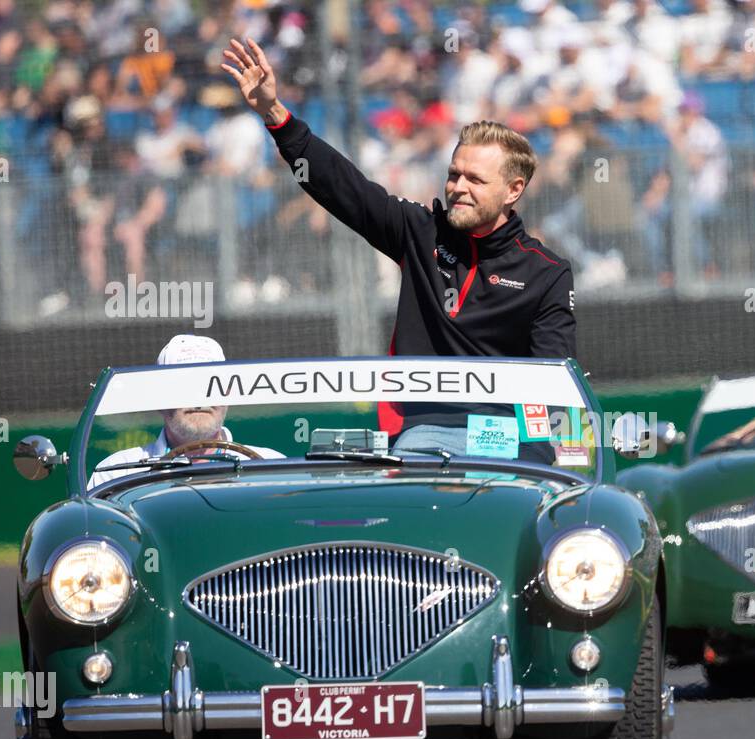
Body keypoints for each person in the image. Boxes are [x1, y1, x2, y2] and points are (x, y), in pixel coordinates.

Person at [220, 37, 576, 456]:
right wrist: (274, 114)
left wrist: (565, 466)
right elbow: (343, 187)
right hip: (420, 434)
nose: (458, 188)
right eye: (454, 174)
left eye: (475, 180)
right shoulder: (419, 231)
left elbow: (557, 384)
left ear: (514, 190)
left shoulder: (547, 272)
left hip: (501, 440)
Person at [88, 335, 284, 489]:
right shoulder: (115, 474)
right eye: (184, 384)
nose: (200, 397)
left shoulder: (273, 468)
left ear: (228, 393)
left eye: (211, 384)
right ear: (157, 397)